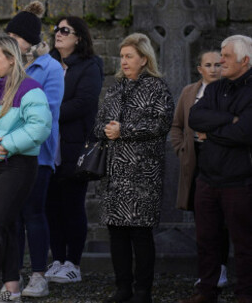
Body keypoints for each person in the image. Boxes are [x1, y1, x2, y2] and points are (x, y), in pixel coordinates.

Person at [0, 35, 52, 303]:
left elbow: (39, 127)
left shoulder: (31, 89)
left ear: (12, 59)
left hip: (18, 165)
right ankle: (12, 286)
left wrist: (4, 145)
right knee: (7, 224)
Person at [95, 33, 174, 303]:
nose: (124, 61)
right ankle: (123, 289)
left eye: (129, 56)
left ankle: (143, 292)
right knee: (116, 233)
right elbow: (99, 123)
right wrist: (106, 129)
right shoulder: (115, 88)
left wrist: (124, 130)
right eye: (122, 56)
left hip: (143, 175)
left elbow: (161, 125)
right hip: (116, 176)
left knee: (140, 234)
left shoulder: (157, 88)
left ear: (143, 59)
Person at [181, 35, 252, 303]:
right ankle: (207, 291)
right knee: (206, 240)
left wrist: (210, 133)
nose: (220, 61)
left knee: (244, 242)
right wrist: (227, 121)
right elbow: (194, 117)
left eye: (226, 57)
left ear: (244, 61)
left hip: (240, 180)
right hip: (208, 179)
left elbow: (244, 133)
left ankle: (246, 293)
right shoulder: (214, 89)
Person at [2, 1, 63, 297]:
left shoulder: (50, 67)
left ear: (29, 40)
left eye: (15, 38)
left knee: (34, 214)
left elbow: (45, 112)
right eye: (8, 37)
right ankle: (12, 277)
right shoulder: (3, 64)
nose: (9, 43)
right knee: (10, 217)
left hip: (37, 154)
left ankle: (39, 275)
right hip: (6, 154)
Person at [45, 16, 103, 283]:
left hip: (74, 145)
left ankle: (73, 264)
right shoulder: (47, 63)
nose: (58, 33)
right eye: (56, 29)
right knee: (50, 206)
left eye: (65, 30)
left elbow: (84, 103)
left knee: (72, 205)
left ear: (78, 37)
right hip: (47, 145)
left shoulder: (91, 65)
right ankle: (56, 260)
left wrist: (47, 113)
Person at [170, 50, 229, 288]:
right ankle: (208, 270)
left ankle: (222, 268)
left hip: (222, 159)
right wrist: (182, 149)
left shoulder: (229, 92)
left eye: (218, 64)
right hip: (194, 158)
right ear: (200, 68)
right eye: (209, 64)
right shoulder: (188, 93)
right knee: (202, 218)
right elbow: (176, 126)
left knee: (222, 218)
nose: (214, 69)